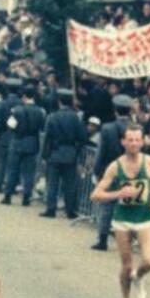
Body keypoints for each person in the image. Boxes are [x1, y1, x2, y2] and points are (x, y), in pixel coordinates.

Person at [90, 124, 150, 298]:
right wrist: (118, 193)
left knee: (149, 260)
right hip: (123, 219)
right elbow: (95, 195)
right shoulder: (115, 166)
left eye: (137, 140)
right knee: (126, 265)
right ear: (123, 142)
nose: (134, 143)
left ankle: (139, 277)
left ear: (143, 141)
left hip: (144, 218)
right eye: (130, 140)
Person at [91, 95, 135, 251]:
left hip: (111, 170)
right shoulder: (137, 129)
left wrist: (97, 171)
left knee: (107, 205)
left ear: (115, 110)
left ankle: (102, 239)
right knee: (128, 206)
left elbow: (101, 153)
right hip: (131, 171)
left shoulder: (107, 128)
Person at [40, 88, 88, 218]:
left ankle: (51, 209)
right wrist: (76, 150)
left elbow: (47, 138)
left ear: (59, 101)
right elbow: (83, 137)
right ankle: (70, 210)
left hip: (54, 153)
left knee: (52, 184)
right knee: (69, 185)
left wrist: (45, 155)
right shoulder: (76, 118)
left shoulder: (52, 117)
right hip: (70, 154)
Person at [1, 84, 46, 205]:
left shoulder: (17, 110)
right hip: (32, 143)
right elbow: (42, 127)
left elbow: (10, 125)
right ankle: (26, 197)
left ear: (24, 96)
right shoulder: (40, 111)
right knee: (29, 173)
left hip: (17, 141)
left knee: (12, 170)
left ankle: (8, 196)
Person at [0, 79, 22, 192]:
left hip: (4, 135)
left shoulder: (3, 103)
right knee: (15, 164)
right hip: (17, 136)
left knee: (2, 161)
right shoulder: (21, 104)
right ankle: (12, 186)